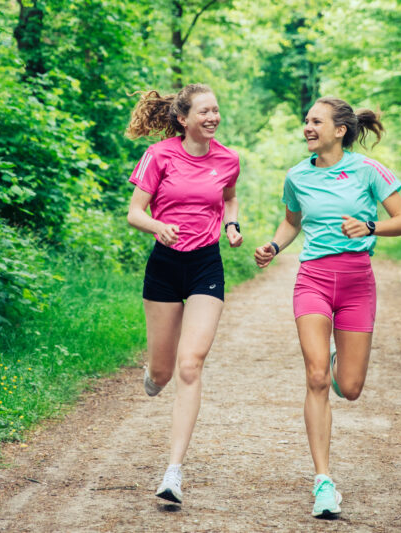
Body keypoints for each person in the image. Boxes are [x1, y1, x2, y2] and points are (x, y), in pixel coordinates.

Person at [254, 97, 401, 518]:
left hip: (358, 282)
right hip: (314, 281)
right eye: (306, 121)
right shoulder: (296, 176)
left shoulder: (367, 170)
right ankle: (323, 480)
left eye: (316, 121)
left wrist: (371, 225)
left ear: (340, 130)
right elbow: (292, 221)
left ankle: (341, 359)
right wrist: (273, 245)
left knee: (351, 387)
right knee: (317, 376)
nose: (308, 127)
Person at [125, 83, 242, 505]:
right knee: (163, 373)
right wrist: (159, 227)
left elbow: (229, 199)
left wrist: (231, 225)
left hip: (206, 265)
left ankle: (173, 472)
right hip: (164, 266)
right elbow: (134, 212)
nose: (213, 117)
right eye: (205, 112)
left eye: (216, 110)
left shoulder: (228, 159)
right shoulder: (159, 155)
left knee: (190, 365)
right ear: (183, 119)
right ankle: (155, 375)